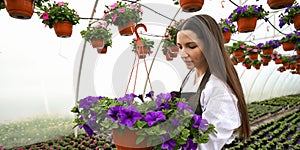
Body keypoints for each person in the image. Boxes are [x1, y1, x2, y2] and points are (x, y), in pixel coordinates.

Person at [175, 14, 250, 149]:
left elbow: (206, 144)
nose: (183, 54)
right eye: (180, 47)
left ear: (210, 45)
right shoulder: (191, 76)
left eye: (191, 46)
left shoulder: (217, 89)